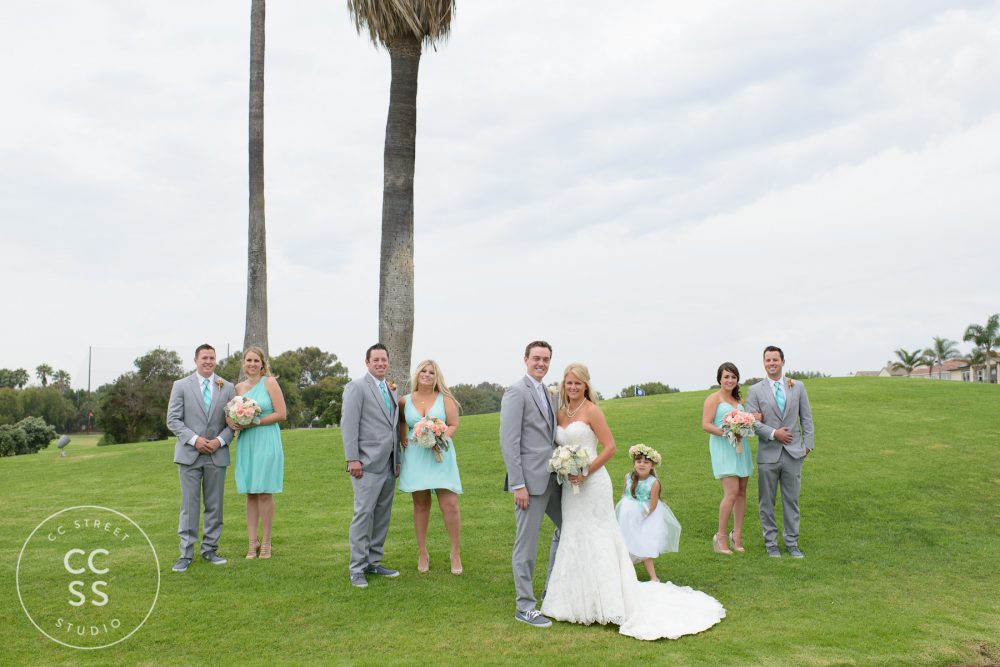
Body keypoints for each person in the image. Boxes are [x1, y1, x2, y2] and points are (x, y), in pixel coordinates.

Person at [540, 362, 726, 641]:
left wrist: (584, 471)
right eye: (569, 383)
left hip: (592, 484)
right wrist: (565, 467)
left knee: (599, 535)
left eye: (578, 383)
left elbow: (611, 447)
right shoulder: (560, 413)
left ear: (586, 385)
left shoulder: (592, 411)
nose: (573, 387)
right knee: (574, 534)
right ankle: (575, 600)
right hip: (570, 487)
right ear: (564, 385)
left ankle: (610, 601)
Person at [499, 341, 562, 628]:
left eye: (546, 359)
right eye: (536, 358)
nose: (541, 363)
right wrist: (518, 484)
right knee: (527, 544)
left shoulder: (549, 393)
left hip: (553, 478)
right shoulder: (516, 392)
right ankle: (525, 606)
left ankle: (552, 589)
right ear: (525, 359)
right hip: (529, 484)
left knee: (570, 527)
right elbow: (508, 442)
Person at [166, 344, 236, 573]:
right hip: (189, 455)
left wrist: (220, 441)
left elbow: (234, 423)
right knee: (189, 505)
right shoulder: (180, 386)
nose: (208, 361)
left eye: (212, 358)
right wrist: (195, 440)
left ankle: (210, 550)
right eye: (204, 357)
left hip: (217, 454)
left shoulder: (227, 387)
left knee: (215, 506)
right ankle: (185, 554)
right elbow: (173, 420)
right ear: (195, 360)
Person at [341, 343, 402, 588]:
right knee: (363, 515)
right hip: (365, 463)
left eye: (383, 360)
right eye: (375, 360)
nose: (380, 364)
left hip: (388, 463)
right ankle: (357, 568)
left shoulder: (391, 388)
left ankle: (373, 562)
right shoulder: (356, 387)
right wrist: (352, 459)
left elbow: (393, 426)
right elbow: (349, 424)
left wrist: (396, 460)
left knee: (382, 515)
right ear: (367, 363)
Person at [745, 346, 815, 558]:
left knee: (791, 500)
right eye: (768, 360)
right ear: (764, 363)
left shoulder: (798, 386)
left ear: (783, 362)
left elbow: (806, 418)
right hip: (768, 455)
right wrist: (775, 433)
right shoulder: (755, 391)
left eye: (775, 359)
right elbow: (751, 422)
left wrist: (807, 445)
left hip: (794, 454)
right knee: (766, 501)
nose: (772, 363)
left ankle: (792, 543)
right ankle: (771, 544)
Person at [397, 359, 463, 574]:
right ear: (417, 374)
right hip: (416, 456)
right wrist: (402, 438)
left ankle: (455, 553)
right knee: (421, 505)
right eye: (423, 371)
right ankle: (422, 552)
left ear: (437, 377)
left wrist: (440, 437)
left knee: (450, 504)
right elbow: (401, 421)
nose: (427, 375)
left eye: (431, 372)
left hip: (440, 456)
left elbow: (453, 423)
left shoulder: (446, 399)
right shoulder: (405, 400)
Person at [230, 346, 286, 560]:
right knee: (250, 491)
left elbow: (282, 414)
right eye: (248, 360)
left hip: (266, 438)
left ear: (262, 364)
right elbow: (232, 415)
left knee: (264, 491)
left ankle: (267, 542)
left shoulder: (270, 383)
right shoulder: (238, 388)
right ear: (243, 363)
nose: (252, 364)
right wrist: (236, 421)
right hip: (247, 442)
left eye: (256, 361)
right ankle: (252, 542)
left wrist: (254, 421)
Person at [701, 362, 758, 555]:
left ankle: (737, 536)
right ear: (719, 378)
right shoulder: (713, 399)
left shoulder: (738, 399)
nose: (730, 380)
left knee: (742, 491)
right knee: (731, 492)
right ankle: (720, 537)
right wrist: (727, 432)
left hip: (741, 448)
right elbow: (705, 424)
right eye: (726, 376)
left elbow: (746, 422)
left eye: (733, 377)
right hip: (723, 448)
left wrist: (747, 424)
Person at [615, 444, 681, 582]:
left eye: (646, 462)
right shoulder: (628, 477)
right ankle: (625, 573)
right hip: (627, 516)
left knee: (643, 545)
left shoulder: (654, 482)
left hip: (646, 517)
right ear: (634, 464)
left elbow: (652, 506)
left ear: (652, 465)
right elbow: (625, 494)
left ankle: (653, 577)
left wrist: (640, 517)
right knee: (626, 542)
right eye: (639, 461)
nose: (642, 465)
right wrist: (627, 514)